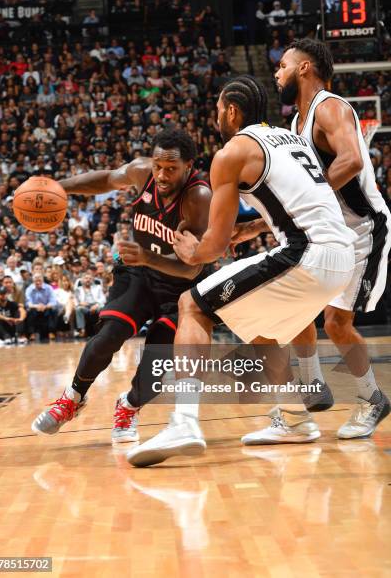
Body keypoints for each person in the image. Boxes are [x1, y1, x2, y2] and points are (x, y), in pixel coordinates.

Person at [126, 75, 356, 468]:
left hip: (307, 254)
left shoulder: (232, 152)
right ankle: (296, 421)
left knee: (192, 305)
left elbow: (211, 248)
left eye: (217, 109)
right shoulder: (291, 139)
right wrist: (248, 229)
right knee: (267, 330)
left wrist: (191, 250)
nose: (215, 116)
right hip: (342, 258)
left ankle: (183, 421)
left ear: (231, 111)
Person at [31, 128, 211, 443]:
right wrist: (61, 188)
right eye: (158, 166)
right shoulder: (142, 172)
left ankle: (128, 406)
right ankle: (72, 398)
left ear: (190, 166)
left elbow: (192, 268)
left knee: (158, 362)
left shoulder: (199, 197)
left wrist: (147, 257)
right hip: (140, 274)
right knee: (109, 335)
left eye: (171, 169)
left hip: (180, 286)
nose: (162, 174)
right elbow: (106, 179)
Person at [272, 38, 391, 438]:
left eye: (283, 65)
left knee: (337, 323)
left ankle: (373, 400)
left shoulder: (330, 106)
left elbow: (352, 160)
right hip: (327, 231)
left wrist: (311, 196)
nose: (278, 72)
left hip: (363, 228)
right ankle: (310, 392)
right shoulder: (294, 124)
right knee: (297, 305)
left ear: (304, 68)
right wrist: (258, 223)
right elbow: (295, 193)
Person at [25, 273, 58, 341]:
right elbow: (28, 303)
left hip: (46, 308)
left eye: (39, 280)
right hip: (34, 309)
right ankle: (32, 333)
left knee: (53, 310)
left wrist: (45, 306)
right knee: (29, 311)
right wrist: (37, 306)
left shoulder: (48, 287)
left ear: (42, 280)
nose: (38, 282)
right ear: (33, 281)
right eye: (36, 281)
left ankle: (51, 332)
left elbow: (53, 302)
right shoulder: (29, 289)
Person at [74, 271, 105, 337]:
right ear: (82, 280)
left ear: (92, 280)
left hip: (96, 305)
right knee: (78, 309)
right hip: (85, 306)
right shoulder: (78, 289)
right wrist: (80, 303)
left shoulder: (98, 287)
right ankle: (82, 330)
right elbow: (75, 300)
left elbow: (103, 299)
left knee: (102, 308)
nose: (88, 280)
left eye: (90, 278)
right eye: (86, 278)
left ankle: (102, 330)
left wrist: (96, 305)